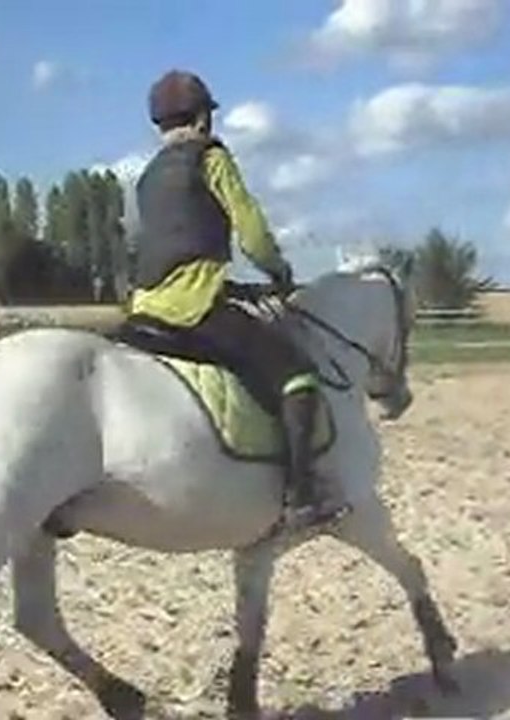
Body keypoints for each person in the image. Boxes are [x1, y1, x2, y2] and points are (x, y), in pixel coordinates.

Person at [127, 69, 350, 531]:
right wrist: (279, 272)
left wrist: (234, 287)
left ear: (160, 126)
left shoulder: (147, 177)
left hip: (145, 306)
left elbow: (173, 248)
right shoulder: (211, 158)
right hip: (194, 309)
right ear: (204, 118)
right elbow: (252, 232)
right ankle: (301, 497)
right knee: (297, 378)